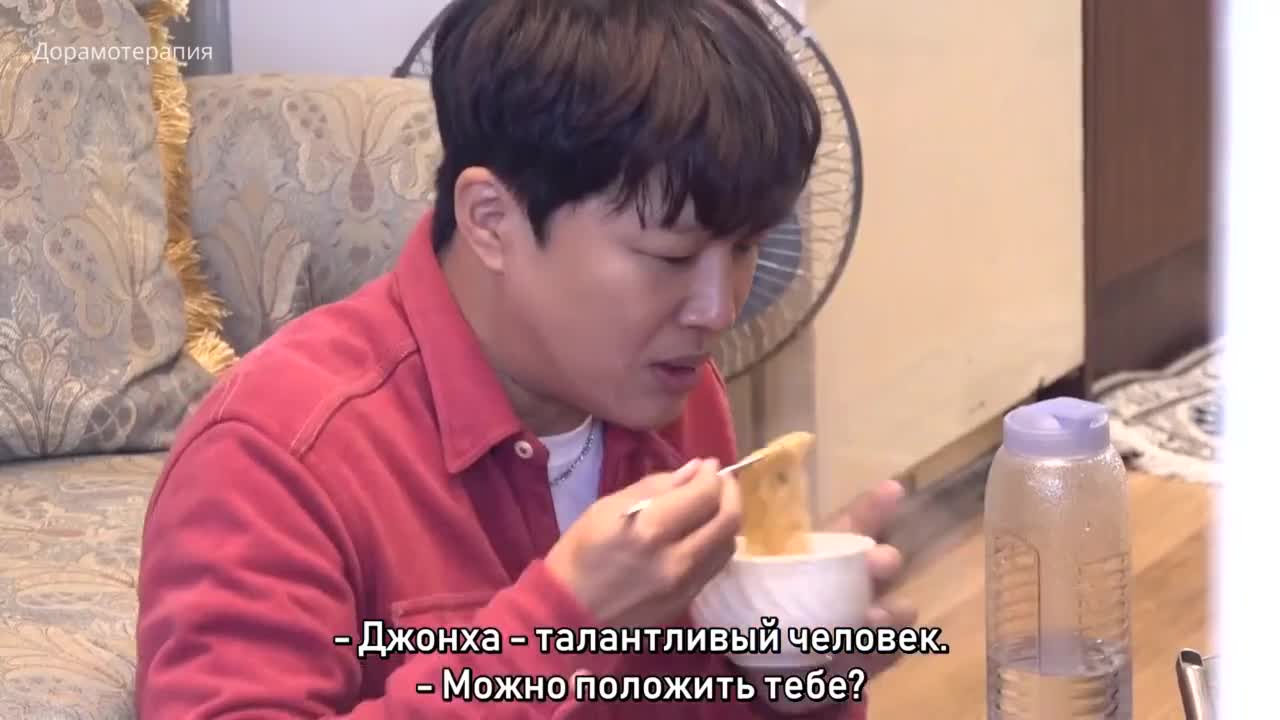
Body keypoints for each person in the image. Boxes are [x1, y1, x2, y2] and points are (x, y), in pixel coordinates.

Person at [134, 0, 916, 717]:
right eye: (670, 257)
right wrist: (563, 626)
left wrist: (789, 681)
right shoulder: (274, 455)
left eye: (746, 248)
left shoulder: (678, 391)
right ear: (490, 220)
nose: (719, 309)